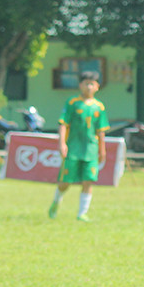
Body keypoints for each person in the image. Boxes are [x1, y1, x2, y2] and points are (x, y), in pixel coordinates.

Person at [48, 71, 109, 222]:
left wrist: (102, 149)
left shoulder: (99, 107)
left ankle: (82, 213)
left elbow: (101, 131)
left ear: (97, 87)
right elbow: (63, 124)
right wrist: (62, 143)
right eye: (86, 83)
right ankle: (56, 201)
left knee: (88, 180)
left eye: (92, 84)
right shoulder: (72, 103)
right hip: (73, 148)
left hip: (91, 149)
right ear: (80, 85)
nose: (89, 86)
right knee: (66, 182)